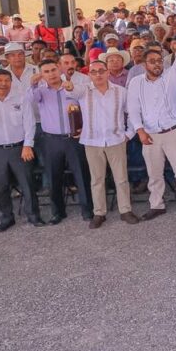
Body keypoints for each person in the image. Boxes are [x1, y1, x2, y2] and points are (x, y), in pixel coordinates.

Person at [127, 28, 176, 220]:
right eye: (152, 61)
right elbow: (133, 109)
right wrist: (140, 131)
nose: (157, 64)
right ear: (144, 64)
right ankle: (157, 205)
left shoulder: (172, 75)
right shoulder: (136, 82)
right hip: (150, 134)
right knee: (154, 173)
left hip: (174, 131)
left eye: (159, 60)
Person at [67, 60, 141, 228]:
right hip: (92, 141)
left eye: (101, 71)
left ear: (108, 72)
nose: (98, 74)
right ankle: (99, 213)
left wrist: (129, 133)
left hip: (116, 140)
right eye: (94, 72)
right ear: (89, 75)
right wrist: (68, 85)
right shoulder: (84, 90)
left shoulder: (121, 92)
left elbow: (132, 113)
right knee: (97, 179)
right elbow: (71, 89)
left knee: (121, 178)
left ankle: (125, 211)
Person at [27, 59, 94, 224]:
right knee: (53, 177)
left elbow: (86, 106)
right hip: (51, 140)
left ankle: (87, 210)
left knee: (81, 175)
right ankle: (58, 212)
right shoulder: (40, 91)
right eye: (46, 72)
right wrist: (33, 84)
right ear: (41, 75)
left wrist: (84, 128)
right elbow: (29, 99)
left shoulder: (72, 87)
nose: (51, 74)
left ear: (59, 69)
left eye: (53, 70)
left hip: (74, 139)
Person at [0, 69, 40, 230]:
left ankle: (34, 215)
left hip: (20, 148)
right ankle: (7, 218)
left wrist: (28, 145)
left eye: (6, 80)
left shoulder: (21, 98)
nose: (3, 84)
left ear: (11, 82)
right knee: (1, 187)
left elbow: (30, 123)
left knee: (27, 184)